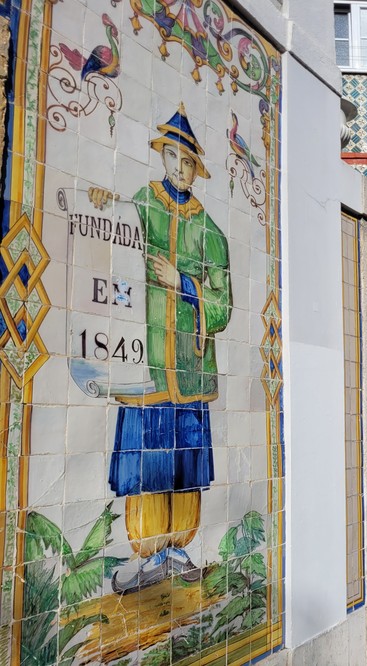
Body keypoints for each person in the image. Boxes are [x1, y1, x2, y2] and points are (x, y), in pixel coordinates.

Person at [89, 103, 232, 593]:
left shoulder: (210, 231)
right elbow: (116, 242)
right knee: (145, 460)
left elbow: (223, 303)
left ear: (196, 168)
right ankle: (145, 554)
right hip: (147, 363)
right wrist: (103, 206)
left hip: (189, 372)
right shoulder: (141, 204)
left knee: (185, 463)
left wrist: (185, 284)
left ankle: (178, 548)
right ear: (164, 158)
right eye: (172, 156)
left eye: (187, 161)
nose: (178, 167)